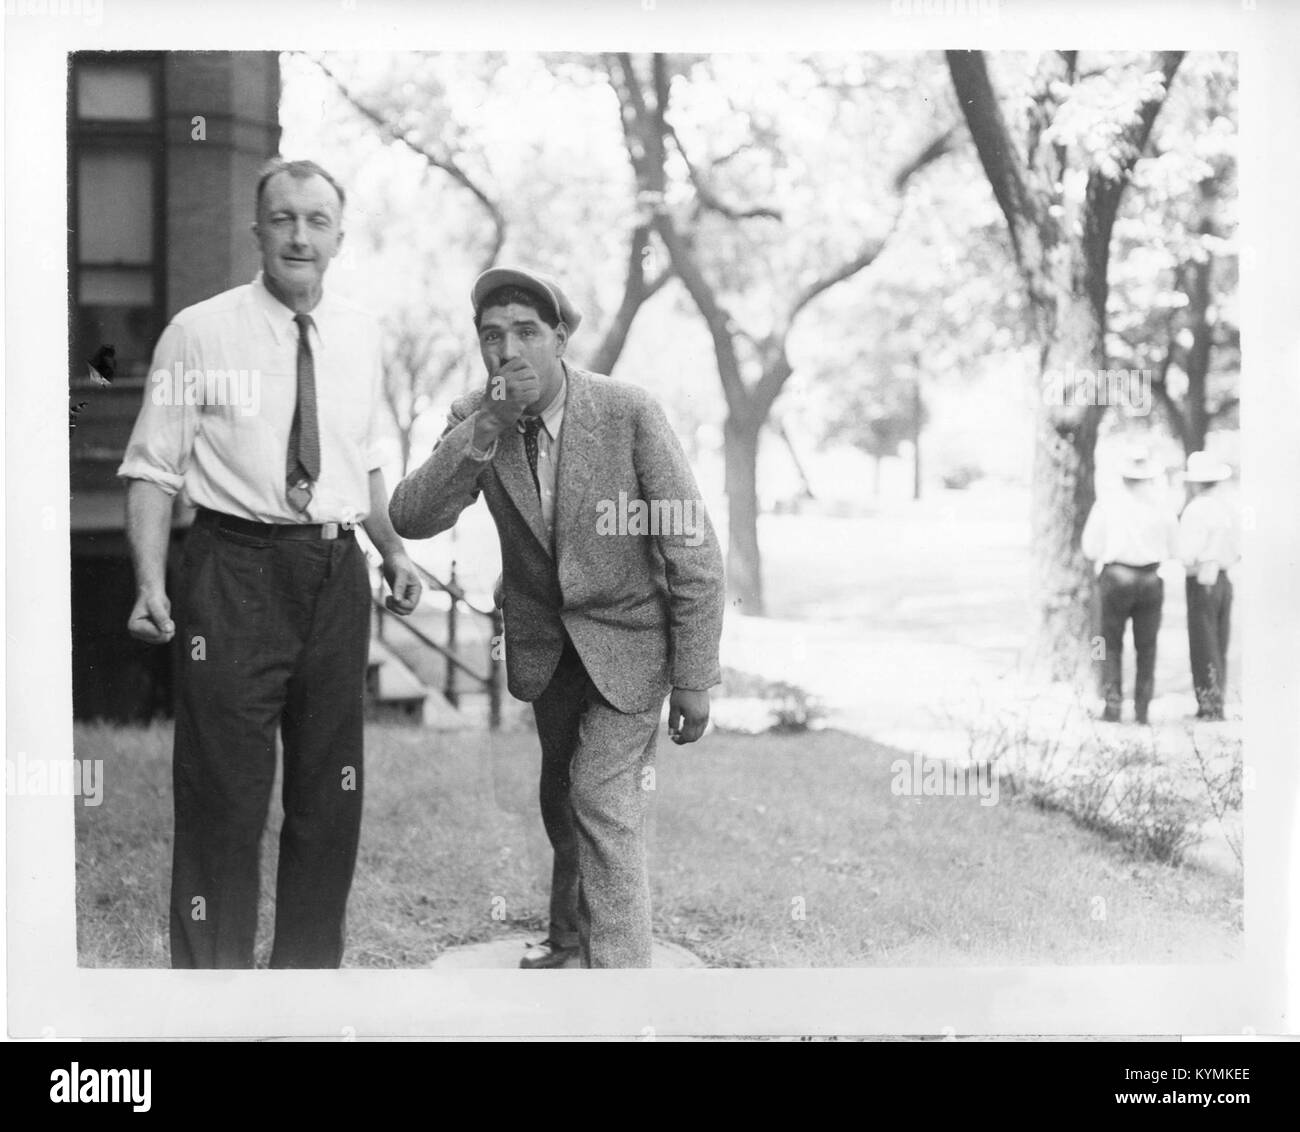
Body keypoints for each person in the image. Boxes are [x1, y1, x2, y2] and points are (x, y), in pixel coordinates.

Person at [118, 158, 423, 968]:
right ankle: (212, 998)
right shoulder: (200, 330)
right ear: (257, 231)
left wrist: (391, 550)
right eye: (282, 218)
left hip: (334, 578)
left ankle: (303, 991)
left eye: (316, 221)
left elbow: (363, 460)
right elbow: (152, 467)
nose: (299, 235)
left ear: (340, 237)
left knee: (331, 796)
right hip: (231, 574)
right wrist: (151, 583)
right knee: (225, 795)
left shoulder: (361, 334)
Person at [389, 266, 725, 969]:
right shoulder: (477, 419)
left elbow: (691, 547)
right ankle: (571, 939)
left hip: (632, 642)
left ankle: (619, 994)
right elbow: (411, 517)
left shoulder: (628, 412)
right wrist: (483, 428)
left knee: (602, 801)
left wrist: (695, 676)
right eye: (492, 336)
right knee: (559, 799)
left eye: (526, 333)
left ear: (561, 338)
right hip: (548, 649)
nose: (507, 350)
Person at [1080, 450, 1178, 724]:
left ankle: (1112, 706)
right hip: (1150, 579)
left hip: (1116, 577)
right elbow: (1174, 547)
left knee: (1107, 643)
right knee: (1147, 646)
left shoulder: (1107, 504)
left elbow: (1090, 547)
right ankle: (1142, 710)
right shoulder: (1162, 506)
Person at [1178, 451, 1239, 721]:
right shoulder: (1229, 507)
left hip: (1202, 576)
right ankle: (1217, 700)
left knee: (1204, 642)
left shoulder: (1196, 510)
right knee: (1219, 641)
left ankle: (1208, 704)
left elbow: (1188, 552)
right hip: (1224, 577)